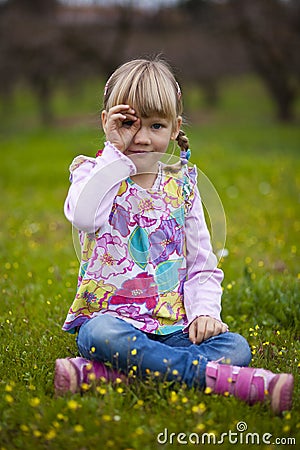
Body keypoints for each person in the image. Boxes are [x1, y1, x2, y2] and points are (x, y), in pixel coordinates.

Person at [55, 58, 293, 414]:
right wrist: (114, 154)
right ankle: (220, 379)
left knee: (236, 346)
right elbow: (86, 218)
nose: (142, 137)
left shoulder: (182, 186)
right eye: (128, 124)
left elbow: (201, 264)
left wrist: (203, 314)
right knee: (97, 335)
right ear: (107, 123)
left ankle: (110, 375)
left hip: (174, 327)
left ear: (174, 127)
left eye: (156, 125)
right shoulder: (94, 173)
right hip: (112, 322)